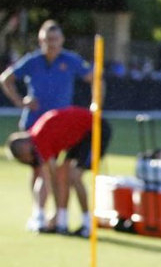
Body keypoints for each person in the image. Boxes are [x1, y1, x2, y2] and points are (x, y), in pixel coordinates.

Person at [1, 20, 93, 231]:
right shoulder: (33, 61)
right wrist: (20, 100)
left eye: (55, 39)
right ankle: (39, 215)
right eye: (47, 40)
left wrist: (95, 103)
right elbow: (6, 79)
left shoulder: (70, 60)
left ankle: (58, 217)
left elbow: (93, 77)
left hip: (62, 130)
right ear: (41, 41)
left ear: (61, 40)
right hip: (35, 126)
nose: (52, 44)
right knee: (39, 172)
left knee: (61, 173)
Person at [5, 105, 112, 237]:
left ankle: (87, 224)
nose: (29, 159)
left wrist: (56, 212)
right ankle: (62, 221)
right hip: (81, 136)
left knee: (74, 176)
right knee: (64, 175)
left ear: (24, 148)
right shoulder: (37, 136)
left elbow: (53, 177)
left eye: (25, 156)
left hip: (96, 129)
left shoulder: (39, 139)